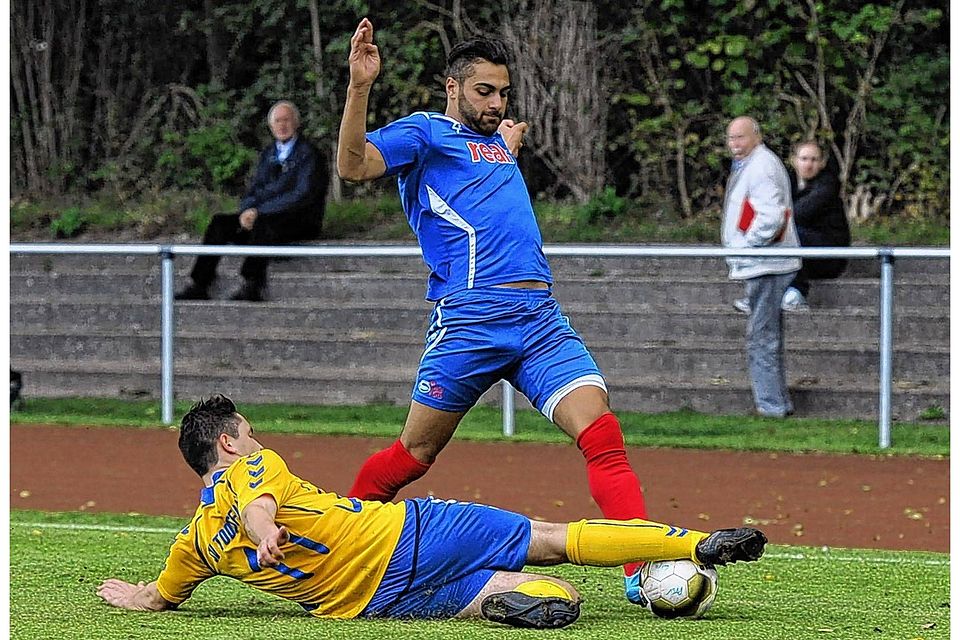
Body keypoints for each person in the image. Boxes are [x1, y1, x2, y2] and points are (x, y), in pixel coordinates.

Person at [335, 19, 652, 603]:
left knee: (602, 433)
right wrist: (360, 87)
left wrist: (503, 148)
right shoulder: (425, 133)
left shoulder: (494, 144)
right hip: (470, 321)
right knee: (414, 455)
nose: (496, 102)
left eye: (504, 92)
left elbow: (482, 187)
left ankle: (643, 569)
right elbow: (352, 167)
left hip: (539, 317)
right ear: (452, 88)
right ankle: (338, 538)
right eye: (484, 91)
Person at [96, 395, 768, 629]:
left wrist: (130, 595)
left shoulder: (192, 544)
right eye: (251, 429)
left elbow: (160, 596)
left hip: (371, 603)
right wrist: (266, 528)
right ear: (228, 440)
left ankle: (509, 605)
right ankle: (697, 545)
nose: (260, 439)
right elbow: (258, 505)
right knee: (553, 540)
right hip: (410, 531)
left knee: (559, 597)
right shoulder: (251, 467)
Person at [175, 100, 327, 302]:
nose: (282, 125)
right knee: (220, 223)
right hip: (263, 217)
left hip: (298, 221)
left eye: (286, 120)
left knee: (264, 225)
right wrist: (247, 209)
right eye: (278, 121)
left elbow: (301, 194)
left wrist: (260, 212)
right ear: (271, 126)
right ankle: (199, 283)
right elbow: (254, 189)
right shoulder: (268, 154)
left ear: (296, 123)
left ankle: (252, 284)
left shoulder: (310, 155)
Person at [721, 116, 800, 418]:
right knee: (766, 336)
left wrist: (745, 246)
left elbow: (771, 216)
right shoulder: (755, 165)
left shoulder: (762, 167)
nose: (735, 145)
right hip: (764, 262)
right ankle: (777, 402)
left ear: (756, 136)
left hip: (766, 264)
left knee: (761, 338)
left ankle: (771, 406)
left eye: (740, 137)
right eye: (731, 138)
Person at [781, 140, 851, 310]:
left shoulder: (828, 184)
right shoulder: (786, 182)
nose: (808, 164)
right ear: (794, 160)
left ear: (822, 163)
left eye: (814, 159)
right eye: (804, 159)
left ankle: (796, 292)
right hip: (803, 253)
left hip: (829, 255)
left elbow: (799, 214)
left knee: (789, 234)